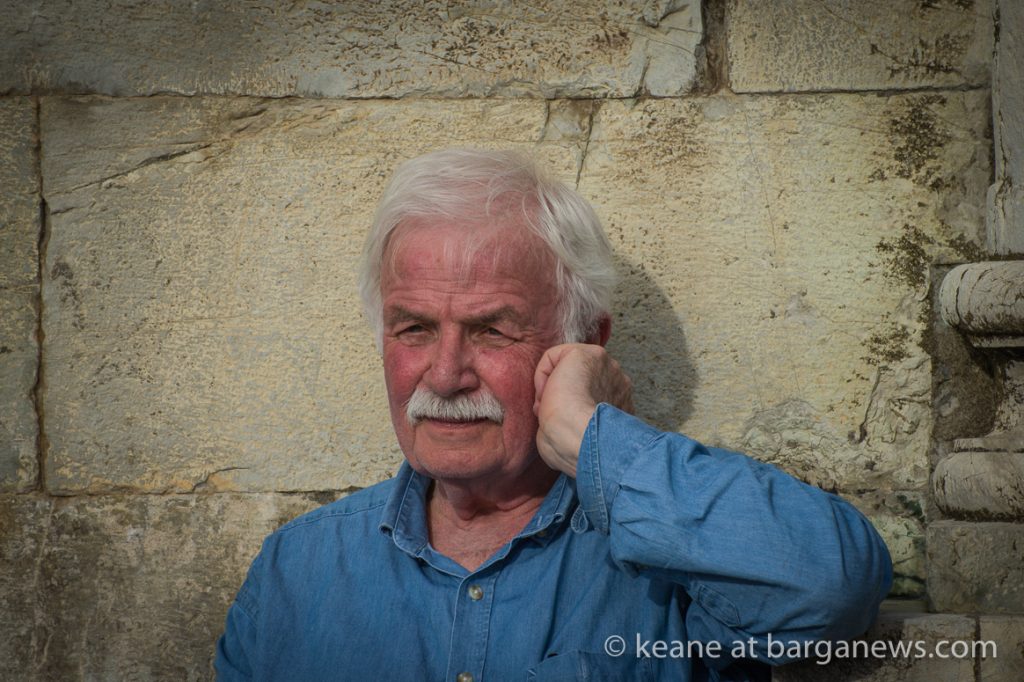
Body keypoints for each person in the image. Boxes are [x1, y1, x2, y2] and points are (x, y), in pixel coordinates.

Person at [215, 149, 892, 681]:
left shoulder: (671, 565)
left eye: (491, 331)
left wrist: (594, 436)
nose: (445, 376)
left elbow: (831, 589)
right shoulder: (295, 572)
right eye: (414, 328)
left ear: (584, 342)